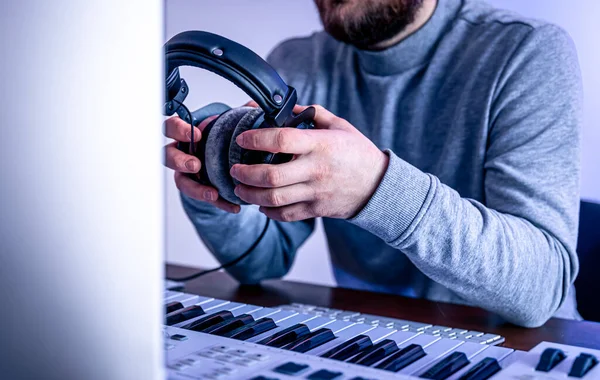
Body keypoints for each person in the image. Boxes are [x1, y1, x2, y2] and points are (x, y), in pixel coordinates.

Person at [163, 0, 582, 327]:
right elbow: (262, 262)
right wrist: (212, 173)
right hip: (372, 338)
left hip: (517, 350)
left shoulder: (527, 51)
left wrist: (376, 190)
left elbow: (542, 288)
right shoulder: (299, 64)